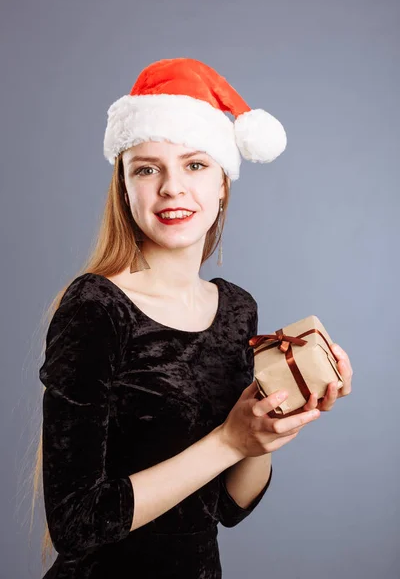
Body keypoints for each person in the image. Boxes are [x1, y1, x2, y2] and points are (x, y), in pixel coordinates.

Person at [38, 58, 353, 578]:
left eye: (195, 165)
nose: (171, 188)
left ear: (224, 183)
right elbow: (76, 525)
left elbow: (229, 506)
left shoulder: (236, 309)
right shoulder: (96, 308)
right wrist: (227, 439)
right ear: (125, 186)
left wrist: (272, 423)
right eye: (147, 168)